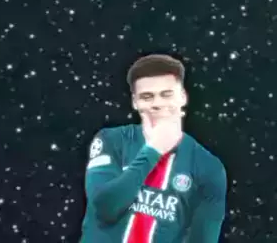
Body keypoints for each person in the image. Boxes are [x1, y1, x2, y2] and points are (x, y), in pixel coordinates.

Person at [79, 53, 227, 242]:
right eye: (147, 97)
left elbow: (203, 239)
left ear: (183, 97)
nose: (157, 103)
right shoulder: (111, 140)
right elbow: (105, 209)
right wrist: (153, 150)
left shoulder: (209, 166)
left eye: (166, 94)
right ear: (135, 102)